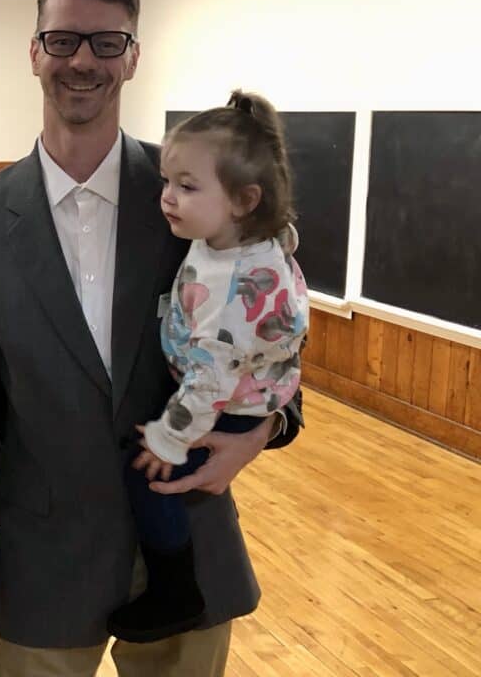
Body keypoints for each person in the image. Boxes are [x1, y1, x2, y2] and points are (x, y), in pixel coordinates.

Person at [0, 0, 302, 677]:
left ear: (133, 57)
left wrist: (267, 426)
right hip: (46, 556)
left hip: (187, 542)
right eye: (64, 40)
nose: (83, 61)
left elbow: (268, 319)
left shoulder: (194, 189)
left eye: (107, 42)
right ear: (34, 50)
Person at [107, 91, 310, 644]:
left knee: (148, 477)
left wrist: (169, 442)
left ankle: (176, 588)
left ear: (245, 199)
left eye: (187, 187)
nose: (167, 197)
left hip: (228, 404)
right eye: (168, 182)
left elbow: (209, 381)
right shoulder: (235, 237)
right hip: (234, 383)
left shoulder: (232, 288)